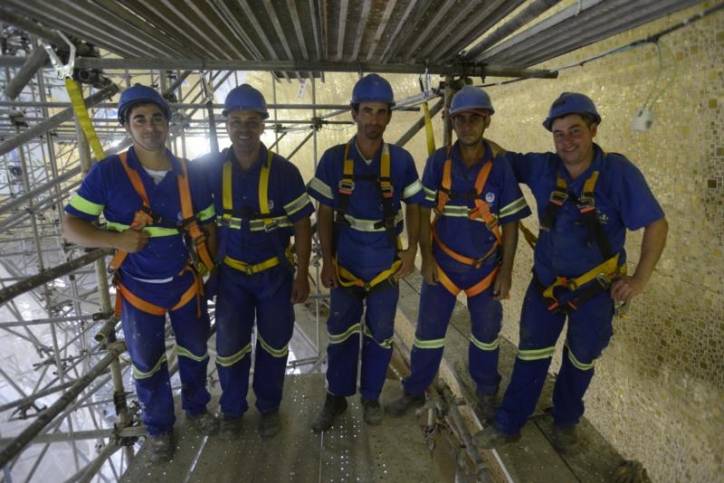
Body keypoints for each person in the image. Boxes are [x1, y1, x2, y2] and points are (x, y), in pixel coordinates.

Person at [474, 92, 668, 452]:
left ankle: (565, 422)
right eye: (559, 133)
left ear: (593, 129)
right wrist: (471, 132)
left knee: (580, 361)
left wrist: (639, 279)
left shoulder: (617, 173)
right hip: (546, 286)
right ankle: (508, 423)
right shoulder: (543, 167)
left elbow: (656, 224)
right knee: (531, 354)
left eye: (575, 130)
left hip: (595, 291)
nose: (567, 141)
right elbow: (500, 158)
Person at [63, 84, 218, 463]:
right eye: (140, 120)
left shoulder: (190, 173)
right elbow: (71, 226)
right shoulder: (108, 174)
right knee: (147, 363)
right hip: (138, 288)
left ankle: (196, 408)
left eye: (157, 118)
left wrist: (210, 269)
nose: (150, 127)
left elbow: (209, 226)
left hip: (184, 282)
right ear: (127, 126)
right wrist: (115, 239)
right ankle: (159, 426)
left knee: (196, 351)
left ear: (168, 123)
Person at [387, 86, 530, 420]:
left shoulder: (500, 166)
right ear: (452, 123)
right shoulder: (440, 162)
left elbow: (511, 223)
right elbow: (423, 210)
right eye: (460, 119)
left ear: (487, 121)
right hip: (443, 265)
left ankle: (486, 391)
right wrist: (426, 258)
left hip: (485, 269)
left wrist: (506, 273)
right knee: (428, 333)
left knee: (486, 334)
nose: (467, 126)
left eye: (474, 118)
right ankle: (415, 390)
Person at [195, 84, 313, 439]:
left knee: (275, 344)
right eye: (236, 121)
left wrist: (302, 274)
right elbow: (200, 222)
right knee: (230, 347)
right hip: (231, 277)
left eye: (252, 121)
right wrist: (205, 271)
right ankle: (232, 411)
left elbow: (302, 224)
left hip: (274, 276)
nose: (244, 129)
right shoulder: (211, 169)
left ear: (263, 124)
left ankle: (268, 408)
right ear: (226, 125)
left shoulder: (284, 172)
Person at [307, 73, 424, 432]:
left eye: (381, 112)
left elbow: (416, 206)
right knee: (340, 331)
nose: (374, 119)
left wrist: (412, 251)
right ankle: (336, 397)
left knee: (381, 333)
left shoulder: (401, 161)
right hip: (346, 262)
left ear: (389, 116)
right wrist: (328, 260)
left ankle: (370, 396)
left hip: (385, 263)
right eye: (368, 111)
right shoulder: (334, 160)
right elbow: (325, 213)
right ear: (354, 113)